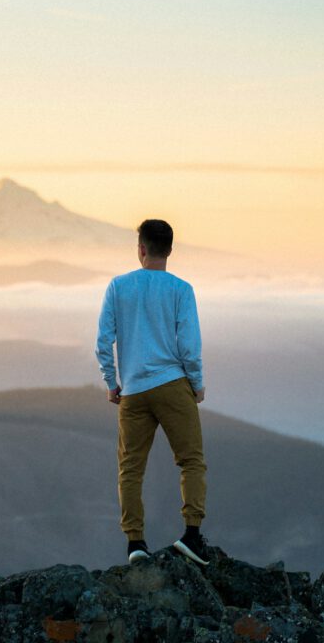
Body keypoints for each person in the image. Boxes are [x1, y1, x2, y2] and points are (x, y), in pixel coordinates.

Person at [94, 219, 209, 565]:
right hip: (172, 384)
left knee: (130, 469)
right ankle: (191, 535)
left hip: (133, 390)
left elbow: (103, 341)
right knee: (191, 460)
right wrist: (197, 384)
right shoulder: (180, 289)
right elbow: (189, 346)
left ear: (141, 248)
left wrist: (112, 382)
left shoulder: (118, 286)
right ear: (170, 250)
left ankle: (135, 544)